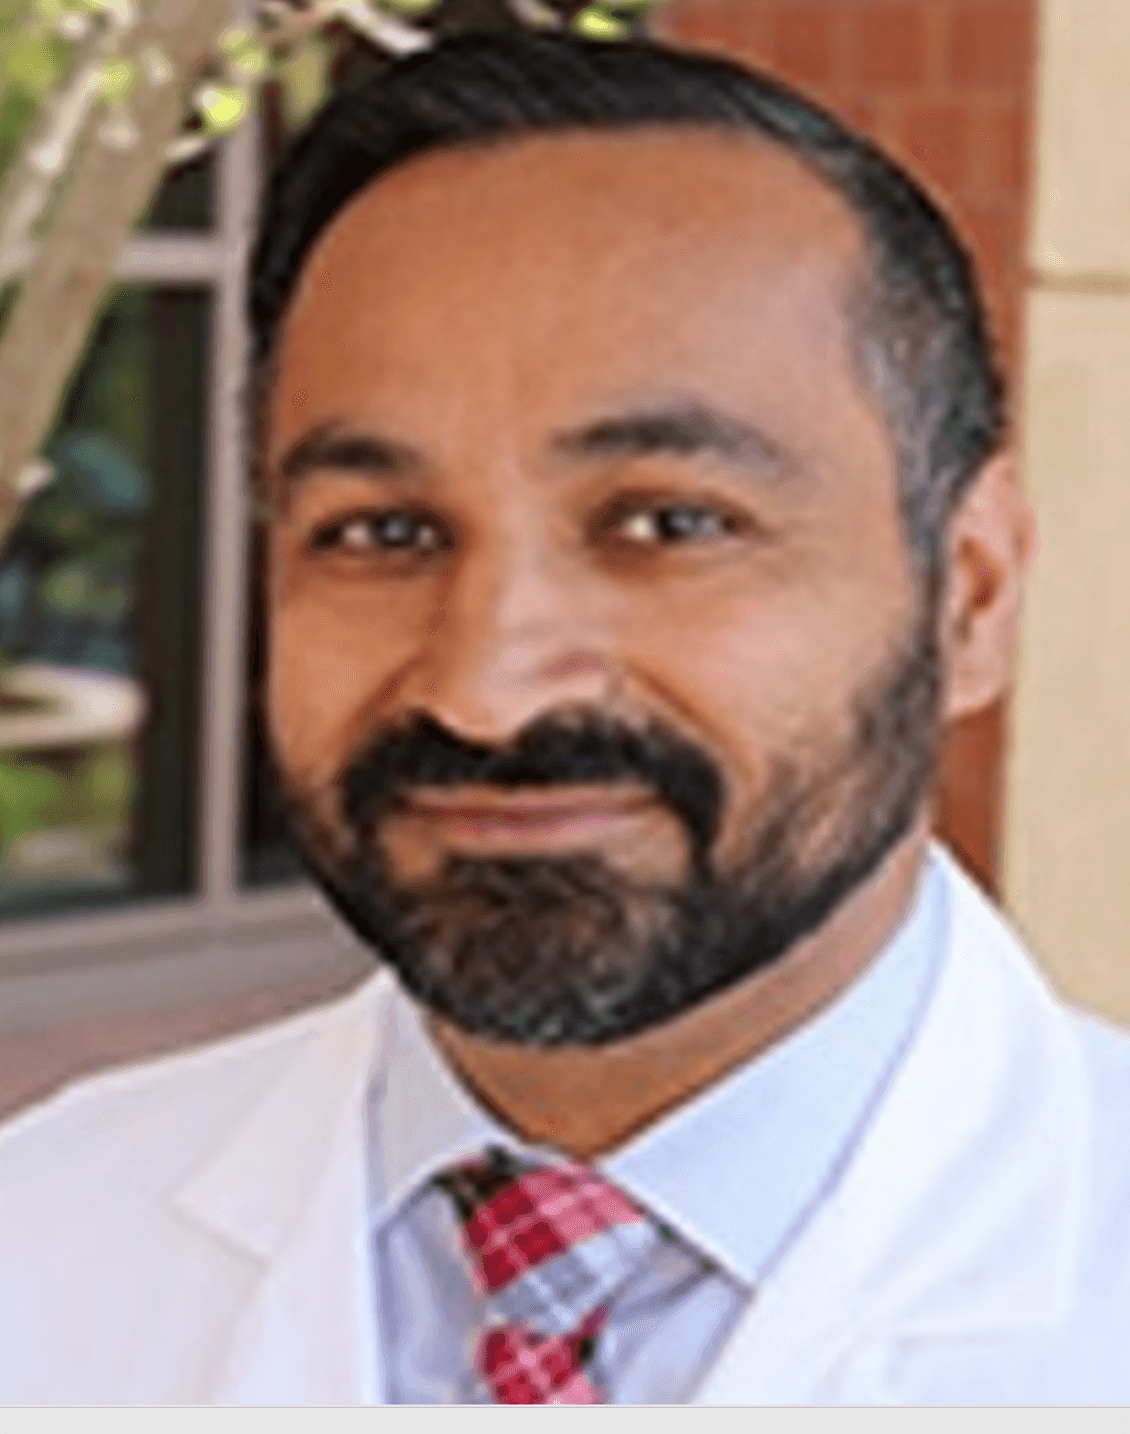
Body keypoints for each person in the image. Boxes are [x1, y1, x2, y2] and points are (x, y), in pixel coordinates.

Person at [1, 29, 1128, 1406]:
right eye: (383, 530)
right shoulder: (40, 1232)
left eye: (665, 521)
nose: (484, 686)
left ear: (968, 594)